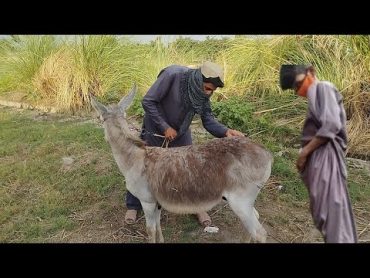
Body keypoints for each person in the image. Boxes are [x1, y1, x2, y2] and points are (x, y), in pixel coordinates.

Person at [124, 61, 245, 227]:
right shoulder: (172, 75)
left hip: (180, 133)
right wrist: (165, 126)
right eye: (208, 88)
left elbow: (208, 120)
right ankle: (133, 205)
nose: (209, 94)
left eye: (212, 91)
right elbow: (148, 101)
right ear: (198, 80)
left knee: (191, 169)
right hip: (156, 129)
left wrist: (225, 132)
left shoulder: (202, 95)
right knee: (143, 168)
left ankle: (197, 206)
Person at [279, 64, 358, 243]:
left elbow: (331, 124)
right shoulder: (318, 92)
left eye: (299, 83)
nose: (299, 90)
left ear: (311, 72)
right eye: (295, 88)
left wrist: (304, 153)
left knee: (331, 214)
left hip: (326, 158)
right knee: (326, 214)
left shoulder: (322, 87)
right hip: (321, 159)